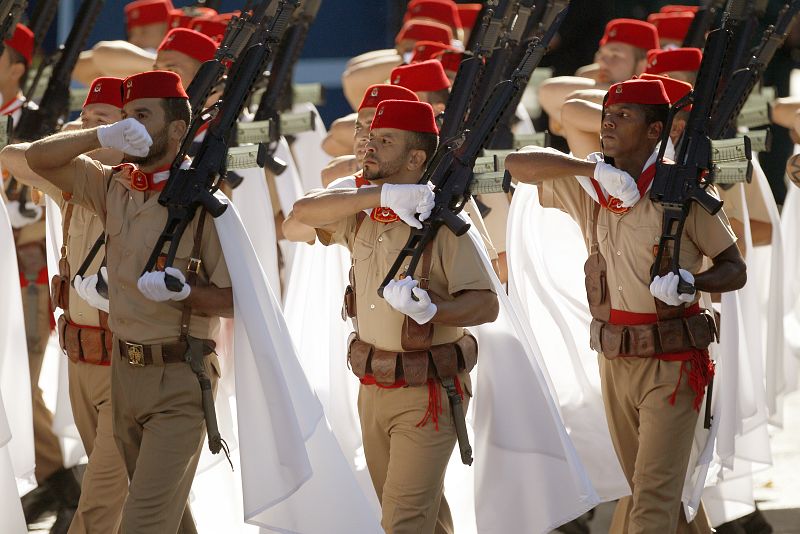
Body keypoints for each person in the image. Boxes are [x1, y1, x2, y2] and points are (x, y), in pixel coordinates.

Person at [506, 78, 747, 533]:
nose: (609, 124)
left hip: (674, 362)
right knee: (652, 494)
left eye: (624, 116)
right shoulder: (593, 187)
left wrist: (694, 281)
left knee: (652, 501)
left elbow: (735, 267)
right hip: (616, 361)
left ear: (655, 131)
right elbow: (519, 166)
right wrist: (589, 169)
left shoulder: (684, 191)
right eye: (606, 116)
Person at [18, 70, 232, 533]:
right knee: (166, 517)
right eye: (127, 115)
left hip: (179, 376)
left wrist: (188, 292)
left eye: (142, 115)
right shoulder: (115, 185)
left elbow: (240, 299)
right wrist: (99, 133)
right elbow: (36, 158)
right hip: (123, 374)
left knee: (136, 521)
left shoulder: (205, 204)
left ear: (178, 129)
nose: (132, 125)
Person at [289, 98, 499, 533]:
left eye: (386, 141)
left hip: (427, 393)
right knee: (415, 516)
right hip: (373, 386)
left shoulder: (442, 221)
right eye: (370, 139)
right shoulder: (364, 211)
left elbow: (487, 303)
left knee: (402, 522)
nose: (369, 147)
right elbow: (302, 213)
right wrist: (378, 193)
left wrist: (435, 308)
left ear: (416, 157)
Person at [1, 77, 129, 534]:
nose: (92, 127)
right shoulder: (73, 182)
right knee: (127, 490)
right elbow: (14, 158)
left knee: (99, 504)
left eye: (105, 120)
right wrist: (90, 135)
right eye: (85, 118)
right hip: (82, 361)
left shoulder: (152, 187)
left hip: (128, 364)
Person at [0, 22, 84, 532]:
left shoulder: (34, 122)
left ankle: (60, 477)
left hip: (24, 268)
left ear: (17, 68)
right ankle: (54, 477)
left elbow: (32, 205)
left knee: (20, 376)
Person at [73, 0, 173, 85]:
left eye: (144, 32)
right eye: (131, 34)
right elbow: (76, 66)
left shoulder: (180, 60)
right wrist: (164, 67)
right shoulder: (120, 63)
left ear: (167, 29)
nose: (134, 40)